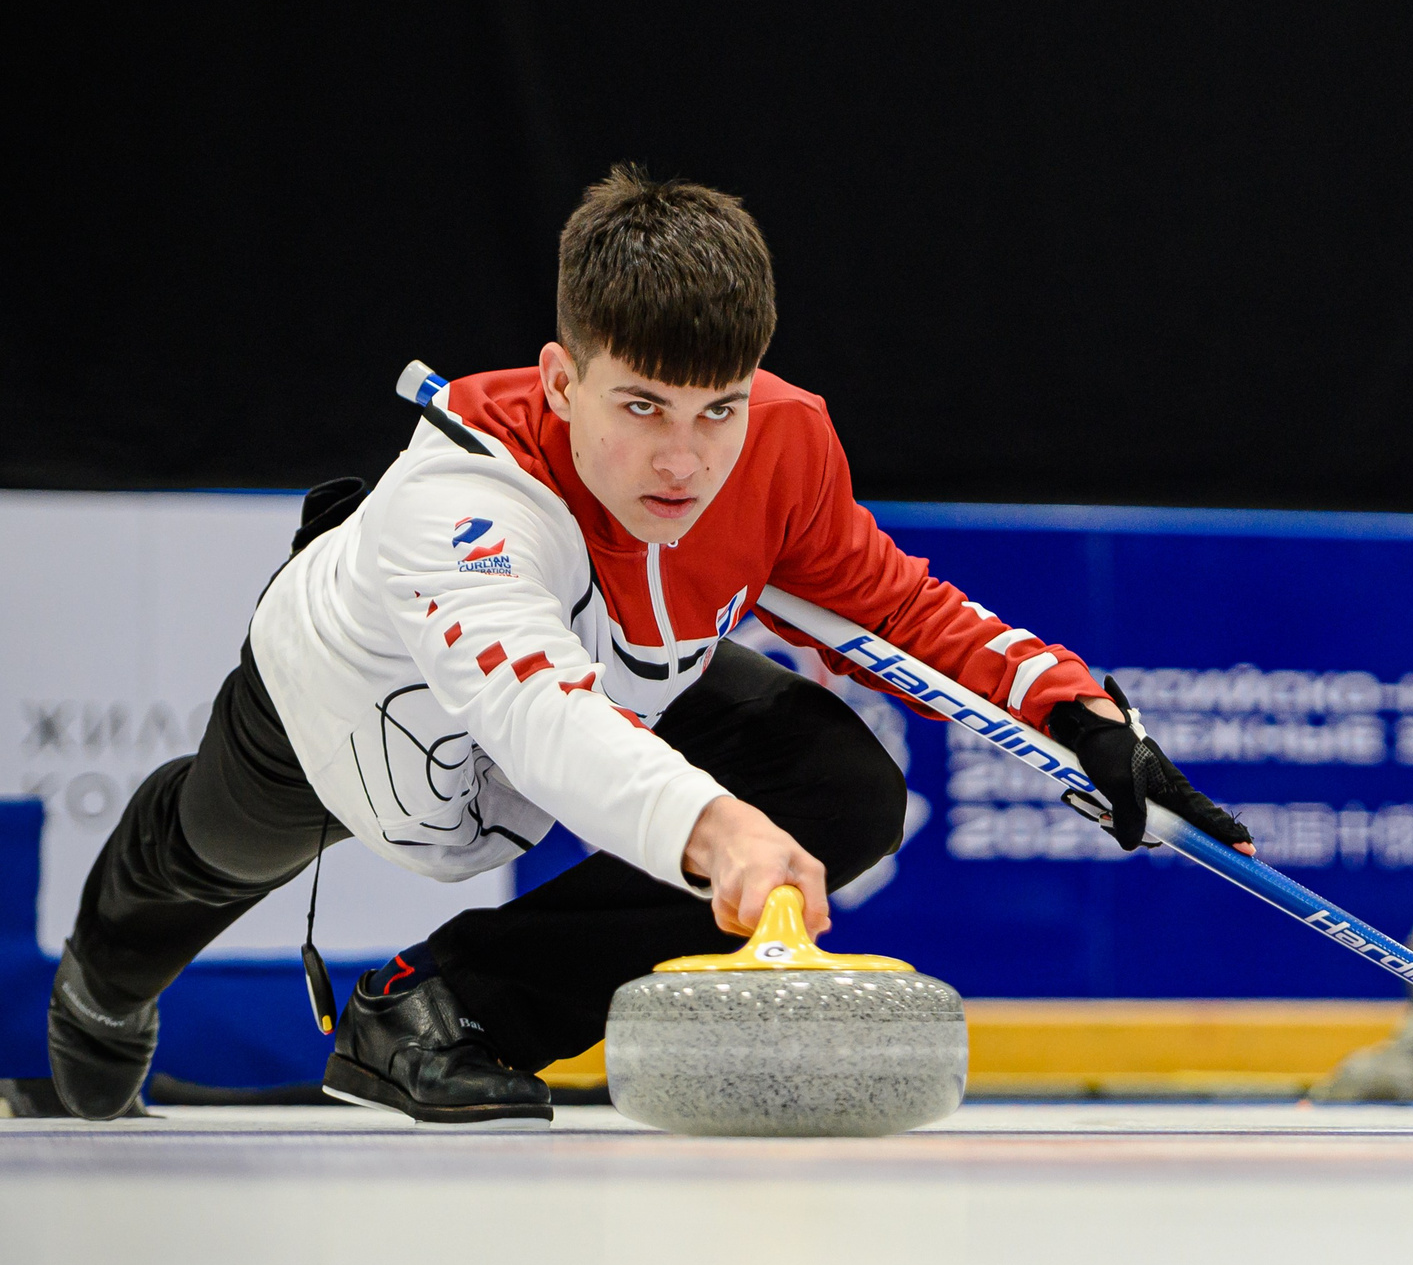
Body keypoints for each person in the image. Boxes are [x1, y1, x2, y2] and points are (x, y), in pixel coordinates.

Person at [49, 165, 1252, 1124]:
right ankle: (100, 994)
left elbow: (898, 607)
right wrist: (716, 827)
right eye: (642, 408)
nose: (683, 461)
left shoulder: (780, 440)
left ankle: (433, 1012)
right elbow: (539, 713)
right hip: (347, 714)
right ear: (562, 379)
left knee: (839, 786)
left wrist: (1079, 715)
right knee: (195, 863)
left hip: (619, 673)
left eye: (716, 408)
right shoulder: (460, 500)